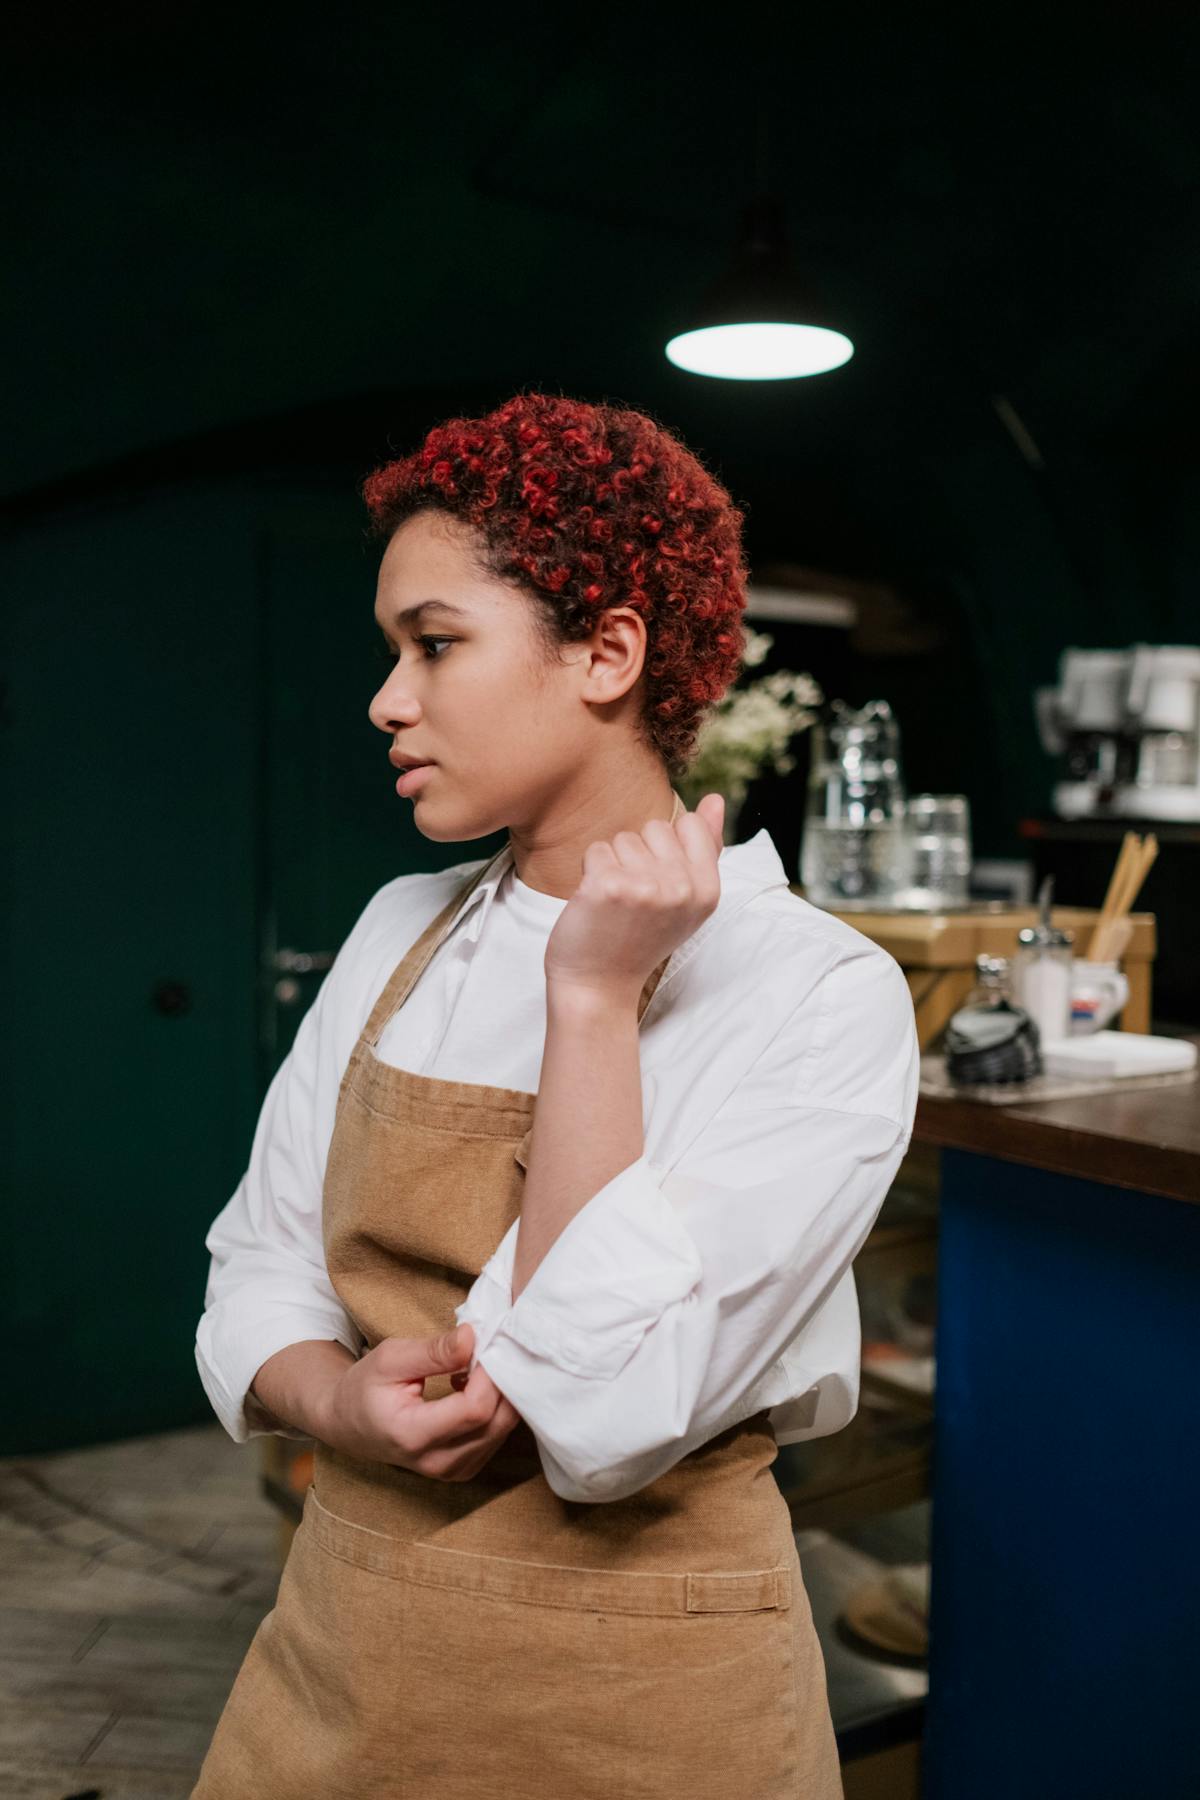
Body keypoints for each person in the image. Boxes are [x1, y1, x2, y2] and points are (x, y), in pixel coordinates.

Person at [191, 391, 919, 1798]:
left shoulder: (815, 992)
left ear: (609, 650)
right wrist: (337, 1406)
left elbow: (602, 1411)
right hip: (347, 1655)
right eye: (391, 650)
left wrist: (591, 998)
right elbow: (258, 1265)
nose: (387, 699)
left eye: (436, 644)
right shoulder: (400, 926)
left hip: (650, 1688)